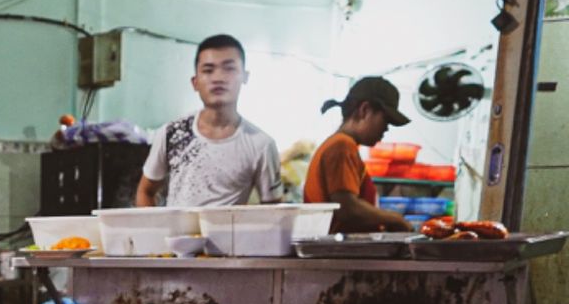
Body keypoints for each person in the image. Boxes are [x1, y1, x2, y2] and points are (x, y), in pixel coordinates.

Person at [135, 34, 282, 209]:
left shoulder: (261, 144)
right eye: (208, 70)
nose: (218, 78)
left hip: (231, 237)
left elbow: (274, 211)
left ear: (245, 76)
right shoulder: (172, 133)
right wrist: (155, 233)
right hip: (176, 236)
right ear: (195, 82)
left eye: (229, 68)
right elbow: (145, 191)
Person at [304, 77, 413, 234]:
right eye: (385, 120)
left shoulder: (339, 144)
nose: (386, 129)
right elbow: (347, 208)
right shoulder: (341, 146)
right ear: (365, 110)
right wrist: (395, 219)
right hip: (338, 253)